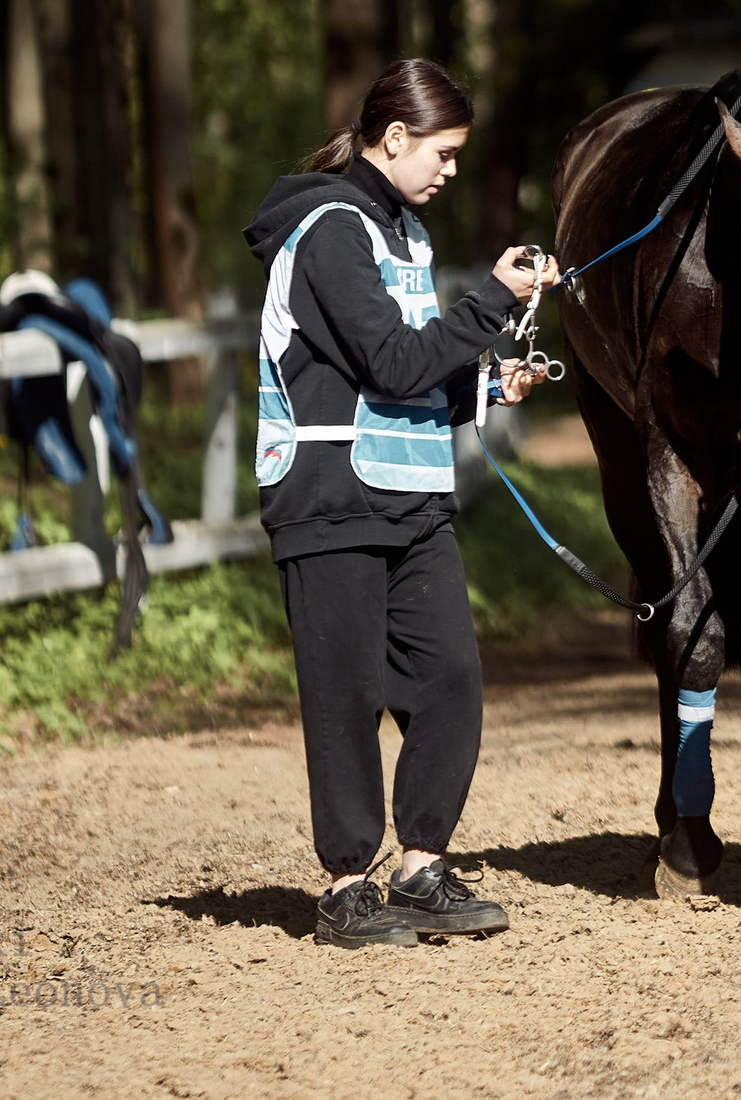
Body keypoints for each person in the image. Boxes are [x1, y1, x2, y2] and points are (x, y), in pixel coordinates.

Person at [244, 58, 559, 948]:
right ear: (394, 140)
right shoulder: (332, 230)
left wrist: (489, 384)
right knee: (343, 695)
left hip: (412, 494)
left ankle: (421, 866)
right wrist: (495, 298)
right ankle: (348, 883)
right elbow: (390, 361)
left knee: (449, 677)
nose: (451, 170)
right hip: (328, 495)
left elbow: (402, 379)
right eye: (444, 152)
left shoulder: (404, 234)